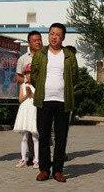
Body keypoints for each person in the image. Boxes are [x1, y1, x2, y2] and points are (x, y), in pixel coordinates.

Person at [32, 23, 78, 183]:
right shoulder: (40, 54)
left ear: (63, 37)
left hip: (63, 101)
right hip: (44, 101)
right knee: (43, 136)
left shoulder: (69, 55)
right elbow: (34, 75)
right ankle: (44, 170)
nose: (54, 37)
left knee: (61, 137)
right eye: (52, 33)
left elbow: (74, 76)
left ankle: (58, 170)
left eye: (58, 35)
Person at [15, 30, 43, 166]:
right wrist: (27, 80)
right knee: (29, 132)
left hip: (42, 95)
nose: (38, 42)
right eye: (34, 40)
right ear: (29, 43)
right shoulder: (23, 59)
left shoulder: (46, 56)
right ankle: (30, 157)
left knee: (43, 130)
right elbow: (18, 77)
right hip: (27, 101)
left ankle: (44, 156)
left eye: (39, 39)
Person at [13, 65, 39, 168]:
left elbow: (38, 99)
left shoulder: (37, 86)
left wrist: (31, 94)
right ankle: (23, 158)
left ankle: (36, 160)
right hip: (24, 111)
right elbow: (20, 100)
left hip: (33, 111)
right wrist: (27, 95)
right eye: (27, 73)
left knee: (35, 137)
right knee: (24, 137)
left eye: (30, 73)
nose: (29, 75)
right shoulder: (22, 86)